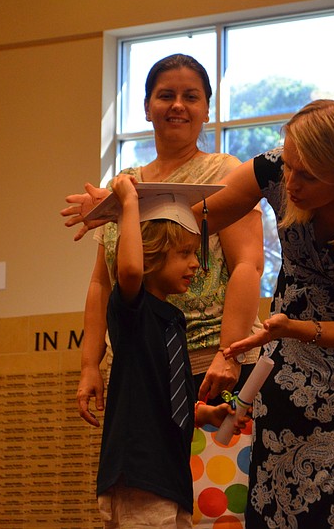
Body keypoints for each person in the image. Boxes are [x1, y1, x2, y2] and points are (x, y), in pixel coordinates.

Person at [68, 99, 334, 527]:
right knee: (285, 491)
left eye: (307, 175)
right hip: (289, 352)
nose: (290, 181)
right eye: (289, 165)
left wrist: (290, 328)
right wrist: (121, 212)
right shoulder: (273, 170)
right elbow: (188, 222)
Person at [68, 53, 264, 433]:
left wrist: (230, 354)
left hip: (213, 367)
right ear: (146, 108)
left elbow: (248, 265)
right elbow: (101, 282)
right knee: (150, 486)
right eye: (165, 95)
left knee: (218, 490)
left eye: (191, 96)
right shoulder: (122, 184)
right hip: (141, 368)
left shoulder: (226, 172)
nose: (177, 105)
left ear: (206, 109)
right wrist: (90, 364)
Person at [96, 174, 248, 528]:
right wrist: (129, 203)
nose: (195, 263)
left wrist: (201, 414)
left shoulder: (172, 320)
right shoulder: (134, 309)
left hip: (171, 479)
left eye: (195, 253)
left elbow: (160, 396)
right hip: (139, 475)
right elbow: (130, 270)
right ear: (151, 253)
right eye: (184, 253)